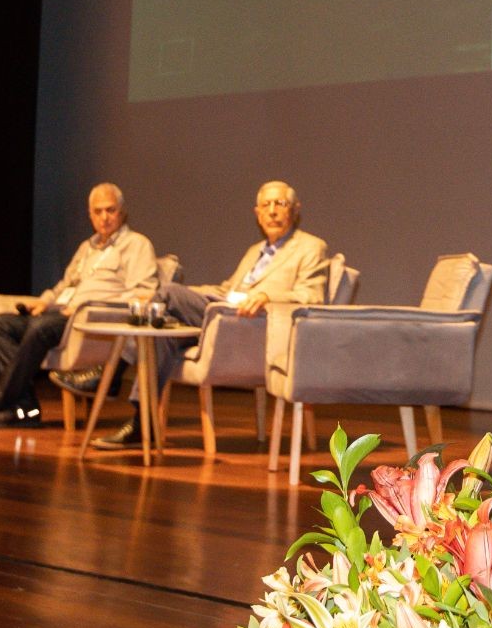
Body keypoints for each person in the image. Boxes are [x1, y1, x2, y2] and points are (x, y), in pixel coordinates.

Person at [74, 179, 329, 450]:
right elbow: (225, 290)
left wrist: (268, 296)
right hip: (225, 316)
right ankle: (142, 422)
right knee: (162, 334)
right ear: (257, 213)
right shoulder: (255, 251)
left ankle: (111, 373)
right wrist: (190, 293)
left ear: (295, 209)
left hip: (254, 325)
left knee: (167, 293)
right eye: (266, 205)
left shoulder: (311, 247)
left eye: (280, 204)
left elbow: (312, 296)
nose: (273, 211)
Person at [0, 182, 156, 429]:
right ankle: (25, 405)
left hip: (87, 319)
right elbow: (65, 285)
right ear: (90, 215)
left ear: (122, 213)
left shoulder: (136, 245)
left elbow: (143, 293)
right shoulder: (87, 248)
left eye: (110, 210)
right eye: (98, 211)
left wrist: (86, 306)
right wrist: (46, 301)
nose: (104, 217)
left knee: (40, 328)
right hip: (61, 314)